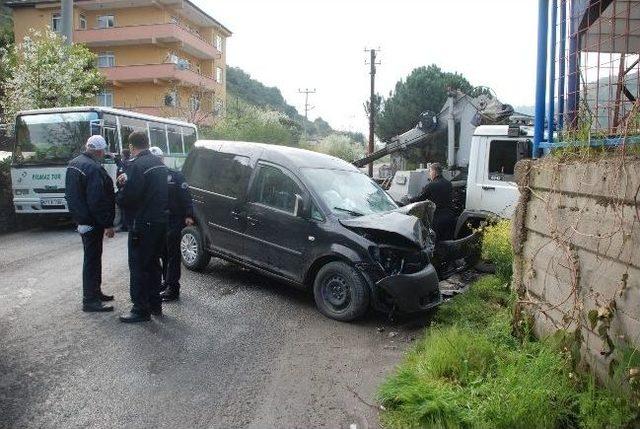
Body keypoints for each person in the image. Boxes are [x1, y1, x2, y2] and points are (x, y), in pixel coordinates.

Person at [116, 132, 168, 323]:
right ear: (147, 143)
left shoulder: (136, 165)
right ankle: (155, 304)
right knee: (154, 264)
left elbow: (130, 196)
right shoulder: (159, 164)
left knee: (138, 266)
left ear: (131, 146)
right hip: (159, 222)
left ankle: (140, 309)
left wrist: (120, 190)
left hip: (142, 223)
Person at [65, 135, 116, 313]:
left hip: (82, 218)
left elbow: (72, 194)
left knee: (93, 258)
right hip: (91, 221)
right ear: (100, 151)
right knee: (92, 260)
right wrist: (108, 224)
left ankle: (95, 292)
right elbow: (97, 200)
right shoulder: (92, 168)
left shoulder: (74, 163)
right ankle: (90, 300)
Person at [148, 147, 195, 302]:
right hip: (157, 221)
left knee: (172, 255)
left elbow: (186, 196)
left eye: (157, 159)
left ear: (162, 159)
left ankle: (173, 287)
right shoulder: (149, 176)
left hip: (173, 219)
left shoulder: (175, 176)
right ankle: (166, 281)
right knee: (162, 253)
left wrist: (188, 215)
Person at [409, 163, 456, 241]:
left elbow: (420, 198)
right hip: (450, 217)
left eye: (430, 171)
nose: (429, 174)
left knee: (437, 243)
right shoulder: (449, 184)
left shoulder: (431, 185)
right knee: (448, 241)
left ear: (434, 172)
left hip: (438, 219)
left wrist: (409, 199)